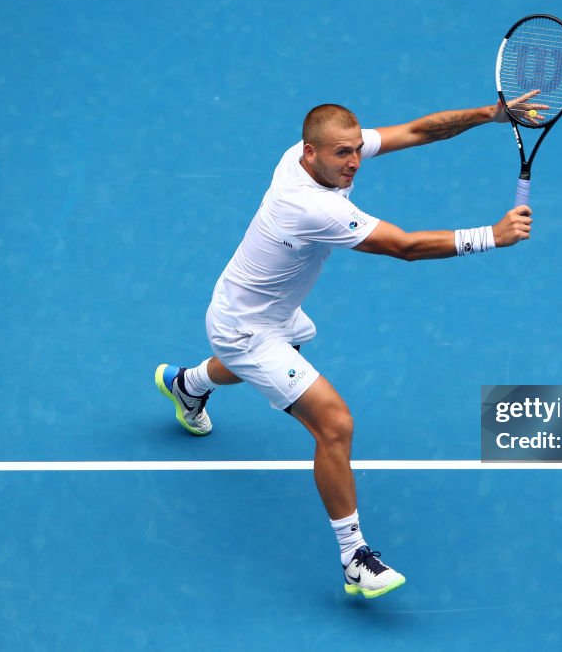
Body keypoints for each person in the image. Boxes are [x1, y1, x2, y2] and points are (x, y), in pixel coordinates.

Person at [155, 94, 540, 599]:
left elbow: (418, 131)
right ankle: (354, 557)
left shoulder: (309, 156)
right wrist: (491, 235)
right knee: (334, 424)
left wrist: (488, 114)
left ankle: (188, 384)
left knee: (283, 350)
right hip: (245, 328)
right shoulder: (311, 206)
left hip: (263, 311)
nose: (354, 162)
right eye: (342, 154)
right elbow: (404, 246)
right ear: (310, 154)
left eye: (357, 149)